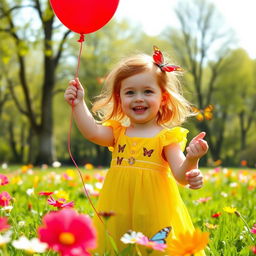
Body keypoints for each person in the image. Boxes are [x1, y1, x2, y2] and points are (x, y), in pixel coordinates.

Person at [64, 46, 208, 256]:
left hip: (154, 212)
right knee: (117, 247)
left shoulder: (166, 138)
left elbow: (181, 176)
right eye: (130, 92)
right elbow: (92, 132)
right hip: (118, 209)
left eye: (148, 91)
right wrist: (78, 105)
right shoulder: (118, 133)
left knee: (154, 249)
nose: (138, 98)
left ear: (163, 98)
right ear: (120, 98)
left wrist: (193, 159)